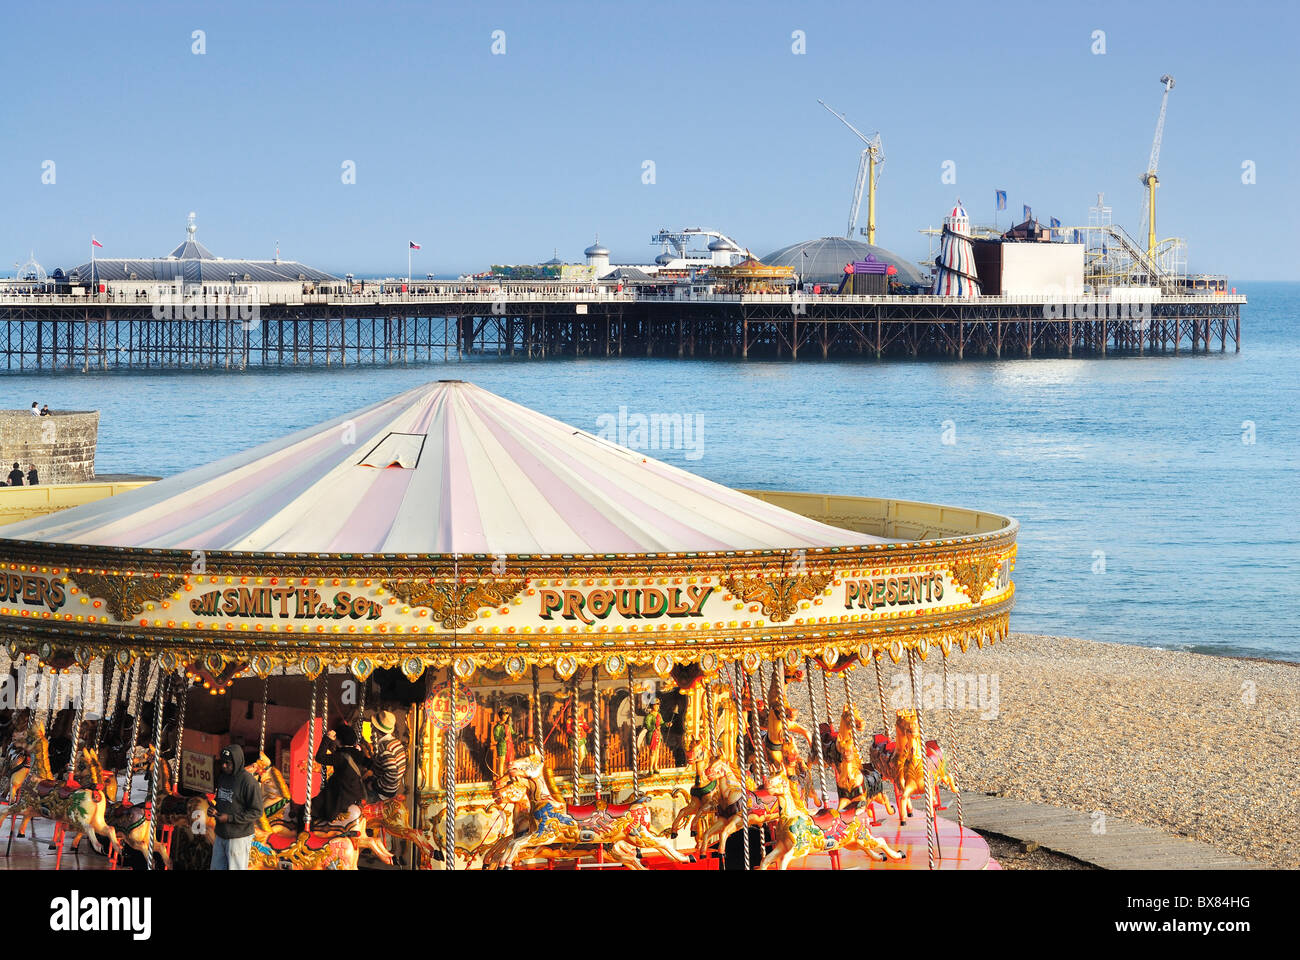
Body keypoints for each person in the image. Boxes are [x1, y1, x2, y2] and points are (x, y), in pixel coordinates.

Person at [212, 743, 263, 870]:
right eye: (223, 762)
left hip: (239, 837)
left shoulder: (249, 782)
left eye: (228, 763)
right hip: (220, 834)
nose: (224, 766)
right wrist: (214, 809)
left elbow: (256, 812)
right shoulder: (223, 777)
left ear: (237, 762)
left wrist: (229, 818)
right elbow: (221, 800)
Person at [314, 724, 368, 823]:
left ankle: (304, 835)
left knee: (310, 809)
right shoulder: (359, 754)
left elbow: (319, 758)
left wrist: (327, 738)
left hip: (341, 796)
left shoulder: (340, 757)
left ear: (339, 740)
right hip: (356, 794)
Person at [368, 710, 407, 802]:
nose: (371, 727)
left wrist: (374, 785)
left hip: (382, 792)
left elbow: (392, 774)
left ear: (376, 729)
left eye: (372, 725)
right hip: (392, 790)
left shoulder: (385, 747)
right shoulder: (396, 742)